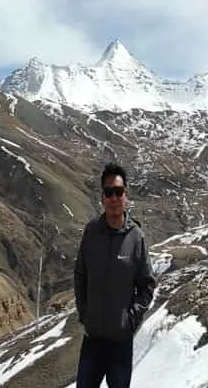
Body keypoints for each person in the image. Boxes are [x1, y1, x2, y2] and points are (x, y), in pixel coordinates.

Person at [74, 162, 156, 388]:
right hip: (93, 340)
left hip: (120, 344)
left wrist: (131, 320)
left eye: (118, 192)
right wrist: (84, 313)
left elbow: (147, 284)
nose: (114, 198)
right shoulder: (91, 233)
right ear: (102, 197)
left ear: (126, 195)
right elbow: (80, 275)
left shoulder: (136, 237)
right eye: (108, 192)